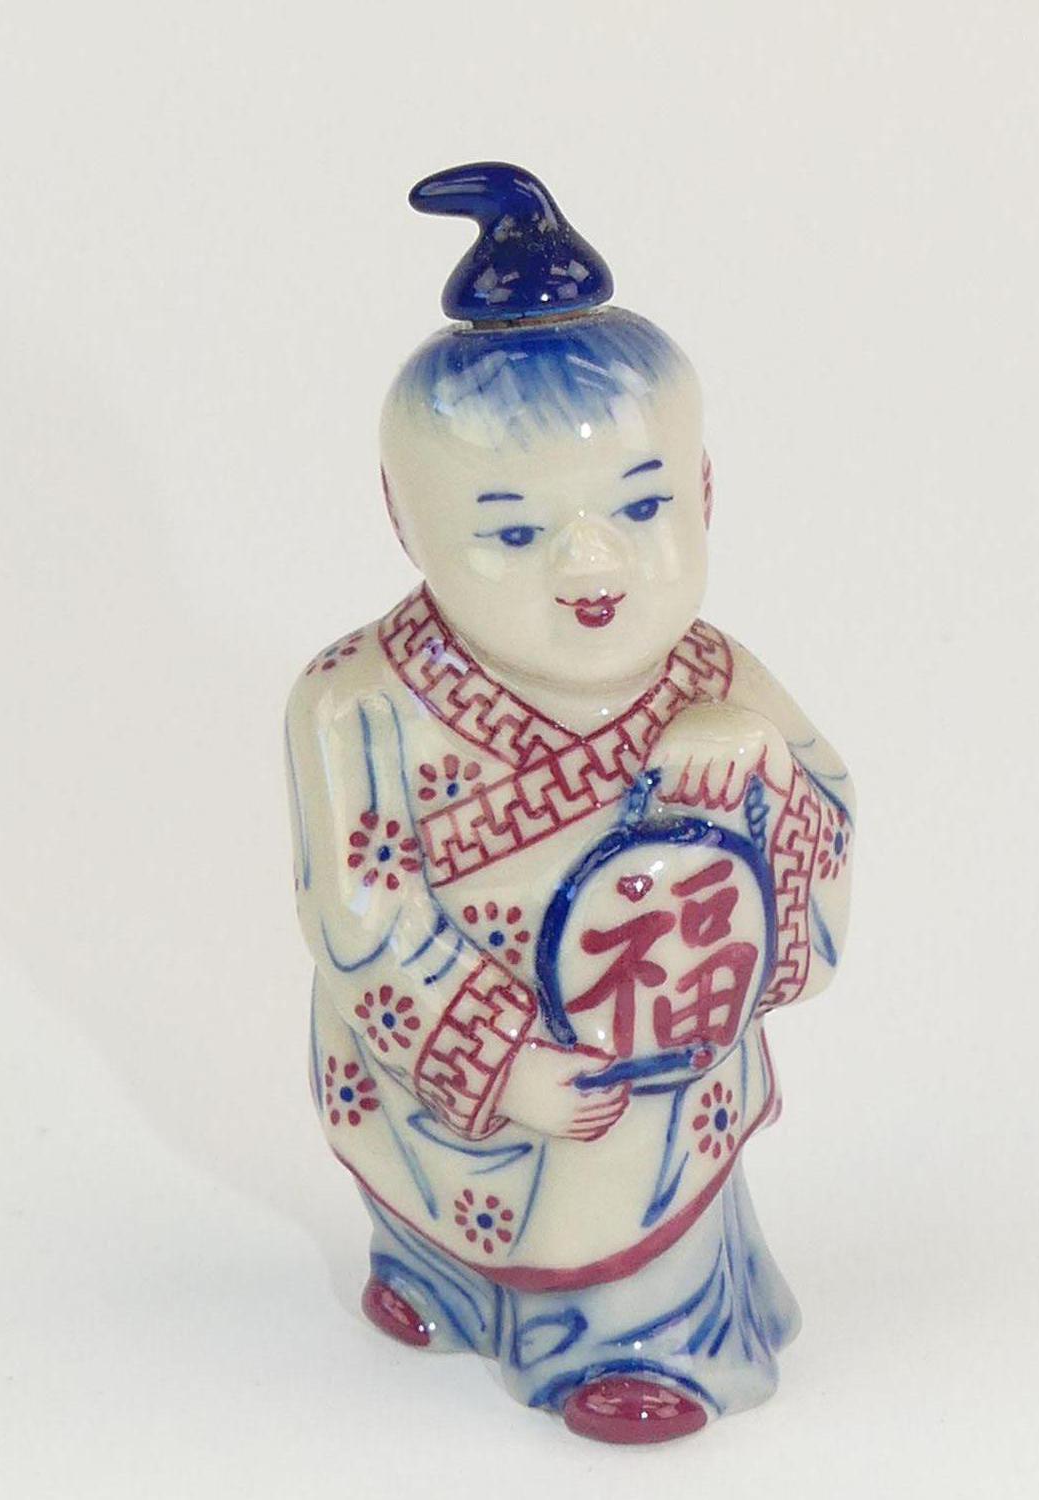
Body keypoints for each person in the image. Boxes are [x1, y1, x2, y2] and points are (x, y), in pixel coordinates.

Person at [285, 162, 855, 1445]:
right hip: (453, 1069)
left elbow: (828, 813)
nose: (591, 566)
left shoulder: (715, 678)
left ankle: (645, 1340)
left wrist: (760, 764)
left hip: (646, 1074)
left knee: (631, 1176)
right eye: (513, 532)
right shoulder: (353, 705)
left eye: (643, 507)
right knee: (440, 1176)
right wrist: (502, 1063)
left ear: (706, 492)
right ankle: (443, 1281)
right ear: (405, 521)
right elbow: (364, 922)